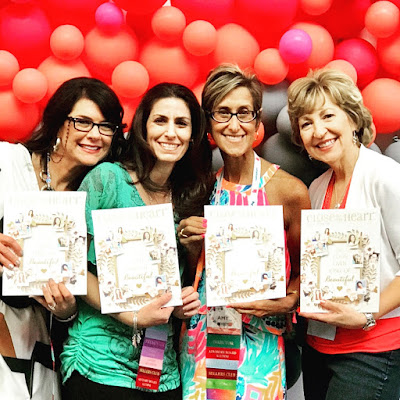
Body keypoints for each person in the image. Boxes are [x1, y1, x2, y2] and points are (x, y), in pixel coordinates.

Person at [61, 82, 213, 399]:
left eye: (181, 123)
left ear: (193, 135)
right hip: (98, 362)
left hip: (161, 368)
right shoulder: (107, 179)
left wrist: (182, 304)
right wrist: (132, 316)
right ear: (143, 127)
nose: (170, 132)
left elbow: (175, 286)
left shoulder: (191, 195)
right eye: (160, 120)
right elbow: (71, 267)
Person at [177, 64, 310, 399]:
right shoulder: (203, 189)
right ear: (209, 122)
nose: (234, 124)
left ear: (257, 120)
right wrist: (191, 246)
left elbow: (307, 271)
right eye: (223, 113)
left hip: (259, 345)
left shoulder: (288, 191)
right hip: (205, 341)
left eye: (243, 113)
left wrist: (287, 302)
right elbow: (198, 275)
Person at [0, 76, 125, 400]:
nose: (95, 134)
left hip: (33, 347)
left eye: (106, 126)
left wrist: (66, 309)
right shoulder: (7, 162)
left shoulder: (98, 199)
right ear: (58, 121)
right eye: (82, 121)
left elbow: (72, 309)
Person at [287, 68, 400, 400]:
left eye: (327, 116)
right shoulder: (316, 187)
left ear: (352, 118)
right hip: (318, 347)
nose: (318, 131)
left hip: (373, 349)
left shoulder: (387, 176)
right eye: (306, 123)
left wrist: (367, 314)